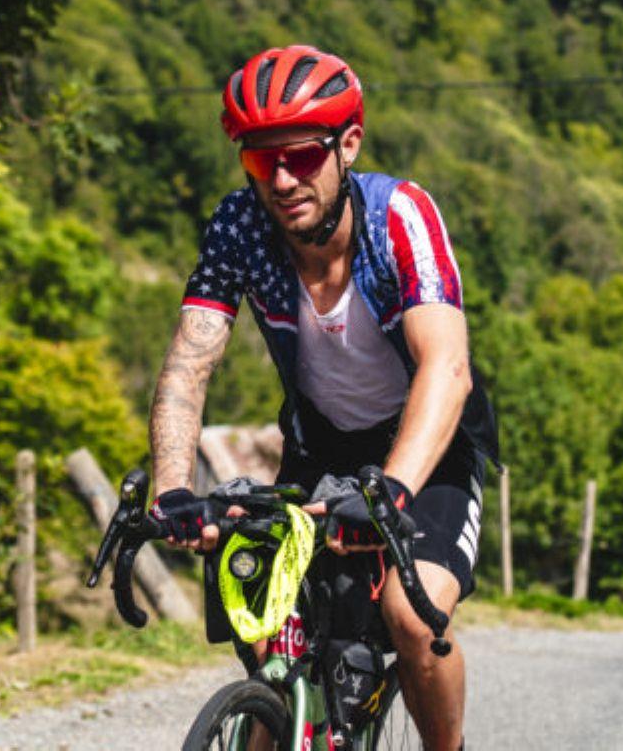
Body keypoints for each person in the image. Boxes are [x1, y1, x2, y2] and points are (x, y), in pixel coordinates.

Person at [147, 45, 498, 751]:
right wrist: (174, 490)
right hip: (321, 447)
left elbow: (447, 367)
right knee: (273, 639)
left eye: (303, 156)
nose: (282, 180)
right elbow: (188, 364)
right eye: (260, 161)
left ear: (349, 145)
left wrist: (393, 490)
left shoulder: (398, 216)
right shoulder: (240, 226)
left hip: (426, 451)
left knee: (411, 617)